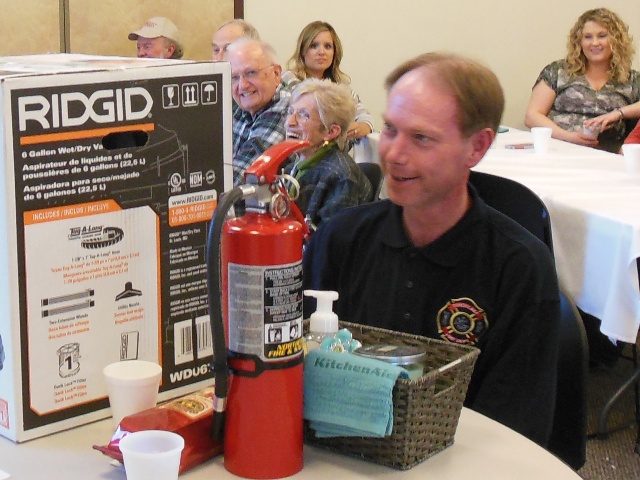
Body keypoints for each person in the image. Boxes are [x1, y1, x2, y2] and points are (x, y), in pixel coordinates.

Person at [303, 52, 561, 447]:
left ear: (477, 147)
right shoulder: (340, 238)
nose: (394, 154)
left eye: (421, 138)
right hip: (343, 450)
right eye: (391, 129)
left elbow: (514, 428)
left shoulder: (518, 266)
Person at [525, 8, 640, 153]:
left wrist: (618, 113)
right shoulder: (558, 71)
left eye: (602, 36)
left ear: (616, 40)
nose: (595, 43)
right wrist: (568, 137)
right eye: (588, 37)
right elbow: (532, 116)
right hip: (559, 149)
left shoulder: (631, 79)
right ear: (579, 41)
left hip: (609, 155)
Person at [284, 78, 372, 228]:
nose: (289, 122)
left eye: (303, 115)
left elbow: (331, 239)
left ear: (330, 132)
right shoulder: (292, 167)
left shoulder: (341, 177)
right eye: (290, 112)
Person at [284, 21, 374, 142]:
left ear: (334, 53)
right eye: (314, 46)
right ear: (303, 51)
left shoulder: (340, 87)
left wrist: (358, 128)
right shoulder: (288, 79)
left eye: (327, 46)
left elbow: (365, 118)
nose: (321, 52)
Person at [226, 38, 293, 185]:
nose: (242, 85)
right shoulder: (244, 108)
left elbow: (237, 180)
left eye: (251, 73)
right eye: (234, 77)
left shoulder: (285, 110)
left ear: (276, 74)